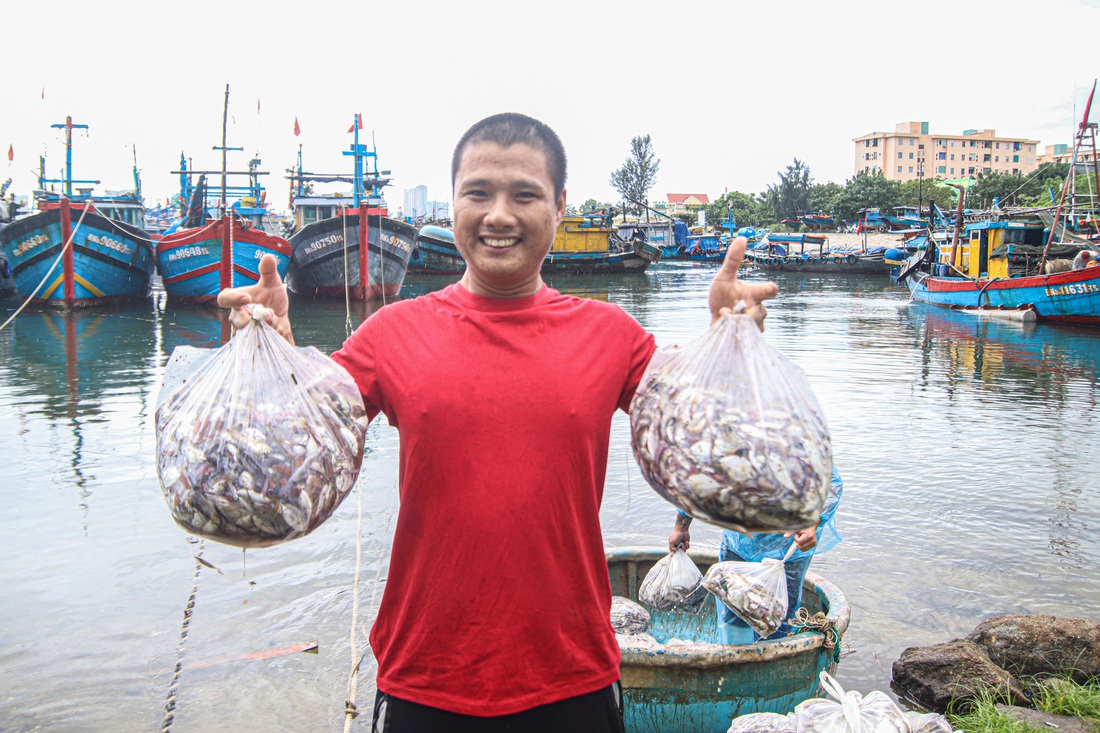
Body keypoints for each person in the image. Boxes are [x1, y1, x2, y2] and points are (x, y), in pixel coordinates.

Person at [218, 112, 778, 732]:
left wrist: (729, 346)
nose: (499, 215)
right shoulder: (392, 333)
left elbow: (702, 435)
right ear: (452, 201)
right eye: (478, 193)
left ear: (560, 206)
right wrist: (276, 355)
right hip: (425, 673)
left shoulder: (611, 336)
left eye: (525, 195)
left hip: (573, 674)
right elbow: (299, 442)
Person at [667, 467, 843, 645]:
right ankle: (733, 658)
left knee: (778, 616)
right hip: (738, 540)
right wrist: (681, 526)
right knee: (732, 608)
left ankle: (773, 662)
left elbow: (829, 481)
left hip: (786, 548)